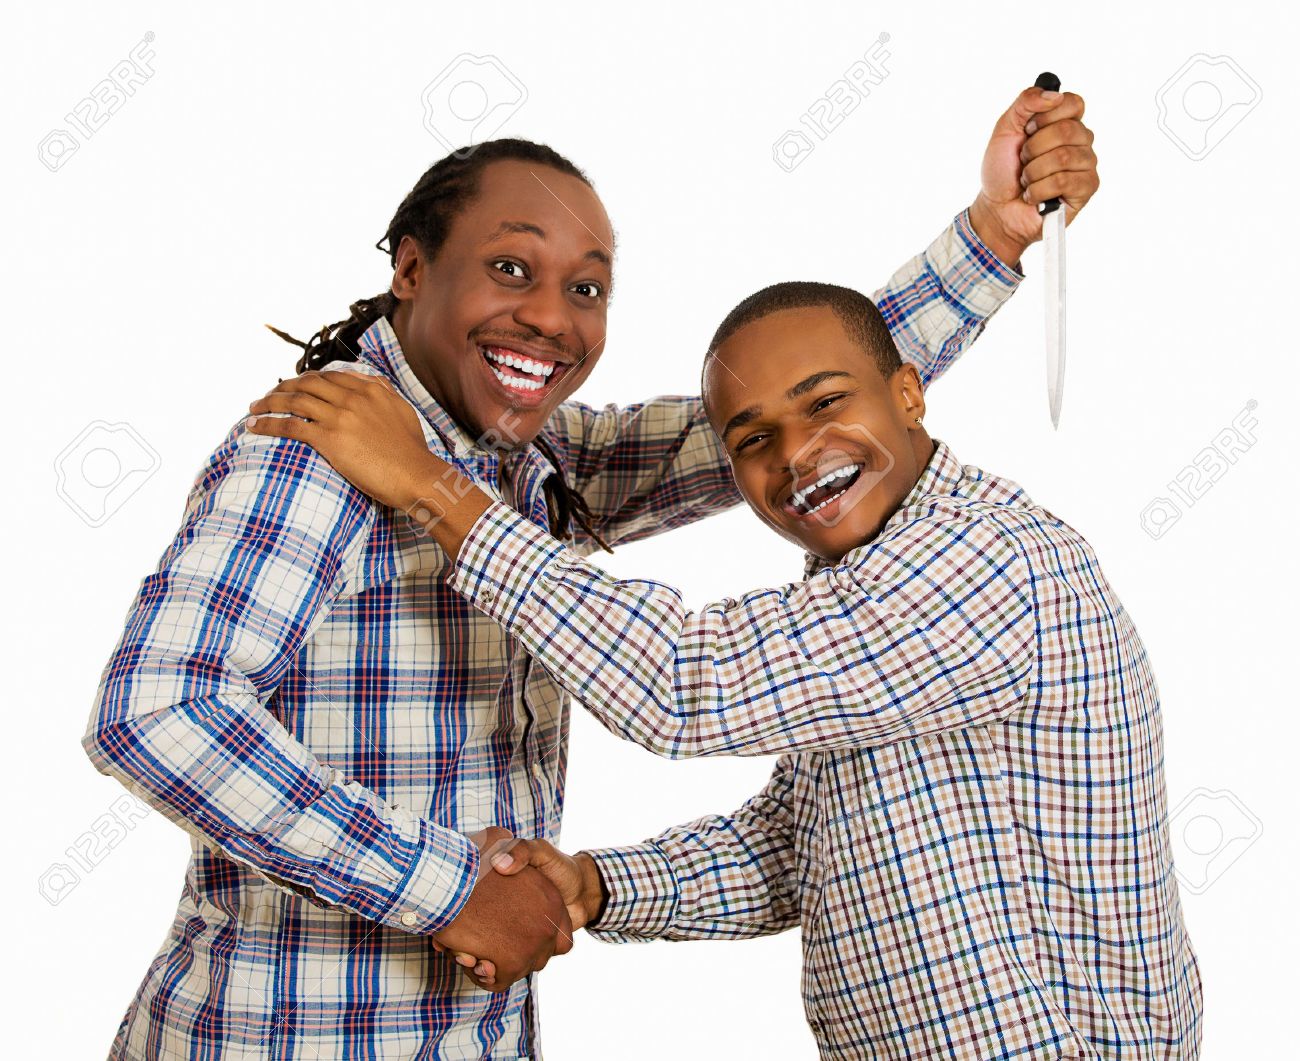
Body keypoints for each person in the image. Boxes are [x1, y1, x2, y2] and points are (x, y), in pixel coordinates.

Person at [86, 86, 1097, 1059]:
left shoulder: (520, 461)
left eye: (586, 288)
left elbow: (776, 412)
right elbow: (157, 709)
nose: (552, 318)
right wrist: (447, 888)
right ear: (412, 269)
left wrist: (991, 238)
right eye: (510, 268)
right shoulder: (320, 448)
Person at [246, 276, 1201, 1059]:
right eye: (751, 439)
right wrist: (594, 884)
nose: (796, 454)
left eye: (825, 402)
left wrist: (430, 486)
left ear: (909, 393)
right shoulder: (862, 588)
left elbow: (685, 680)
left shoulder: (984, 561)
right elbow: (793, 845)